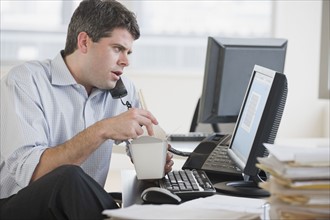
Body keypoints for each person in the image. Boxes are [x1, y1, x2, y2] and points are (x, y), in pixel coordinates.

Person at [0, 0, 174, 219]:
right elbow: (33, 174)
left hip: (77, 208)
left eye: (128, 52)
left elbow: (136, 144)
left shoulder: (122, 89)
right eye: (117, 49)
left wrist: (153, 156)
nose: (125, 61)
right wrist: (102, 129)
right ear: (84, 42)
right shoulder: (25, 81)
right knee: (69, 177)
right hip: (17, 205)